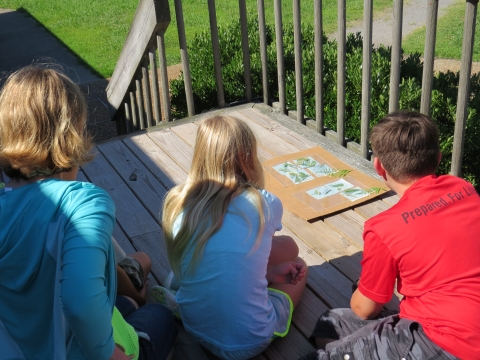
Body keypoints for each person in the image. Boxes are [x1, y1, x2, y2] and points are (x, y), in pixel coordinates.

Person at [0, 65, 177, 360]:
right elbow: (81, 302)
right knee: (160, 316)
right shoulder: (83, 204)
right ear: (73, 133)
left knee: (123, 305)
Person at [301, 111, 480, 360]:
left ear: (379, 167)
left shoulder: (384, 227)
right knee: (330, 324)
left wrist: (365, 287)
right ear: (438, 158)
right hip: (458, 322)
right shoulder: (465, 189)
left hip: (443, 342)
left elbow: (364, 308)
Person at [152, 115, 308, 360]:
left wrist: (266, 273)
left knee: (179, 272)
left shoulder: (177, 201)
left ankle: (177, 298)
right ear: (249, 158)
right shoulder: (264, 203)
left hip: (195, 327)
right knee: (299, 265)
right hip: (250, 341)